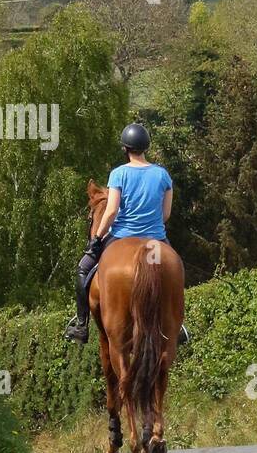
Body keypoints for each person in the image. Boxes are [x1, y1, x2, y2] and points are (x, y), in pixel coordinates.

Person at [63, 122, 188, 345]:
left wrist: (97, 238)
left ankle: (81, 325)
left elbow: (110, 212)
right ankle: (177, 326)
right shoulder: (163, 175)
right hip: (156, 238)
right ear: (146, 147)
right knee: (176, 269)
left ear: (125, 148)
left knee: (82, 269)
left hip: (121, 236)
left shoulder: (118, 174)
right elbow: (165, 214)